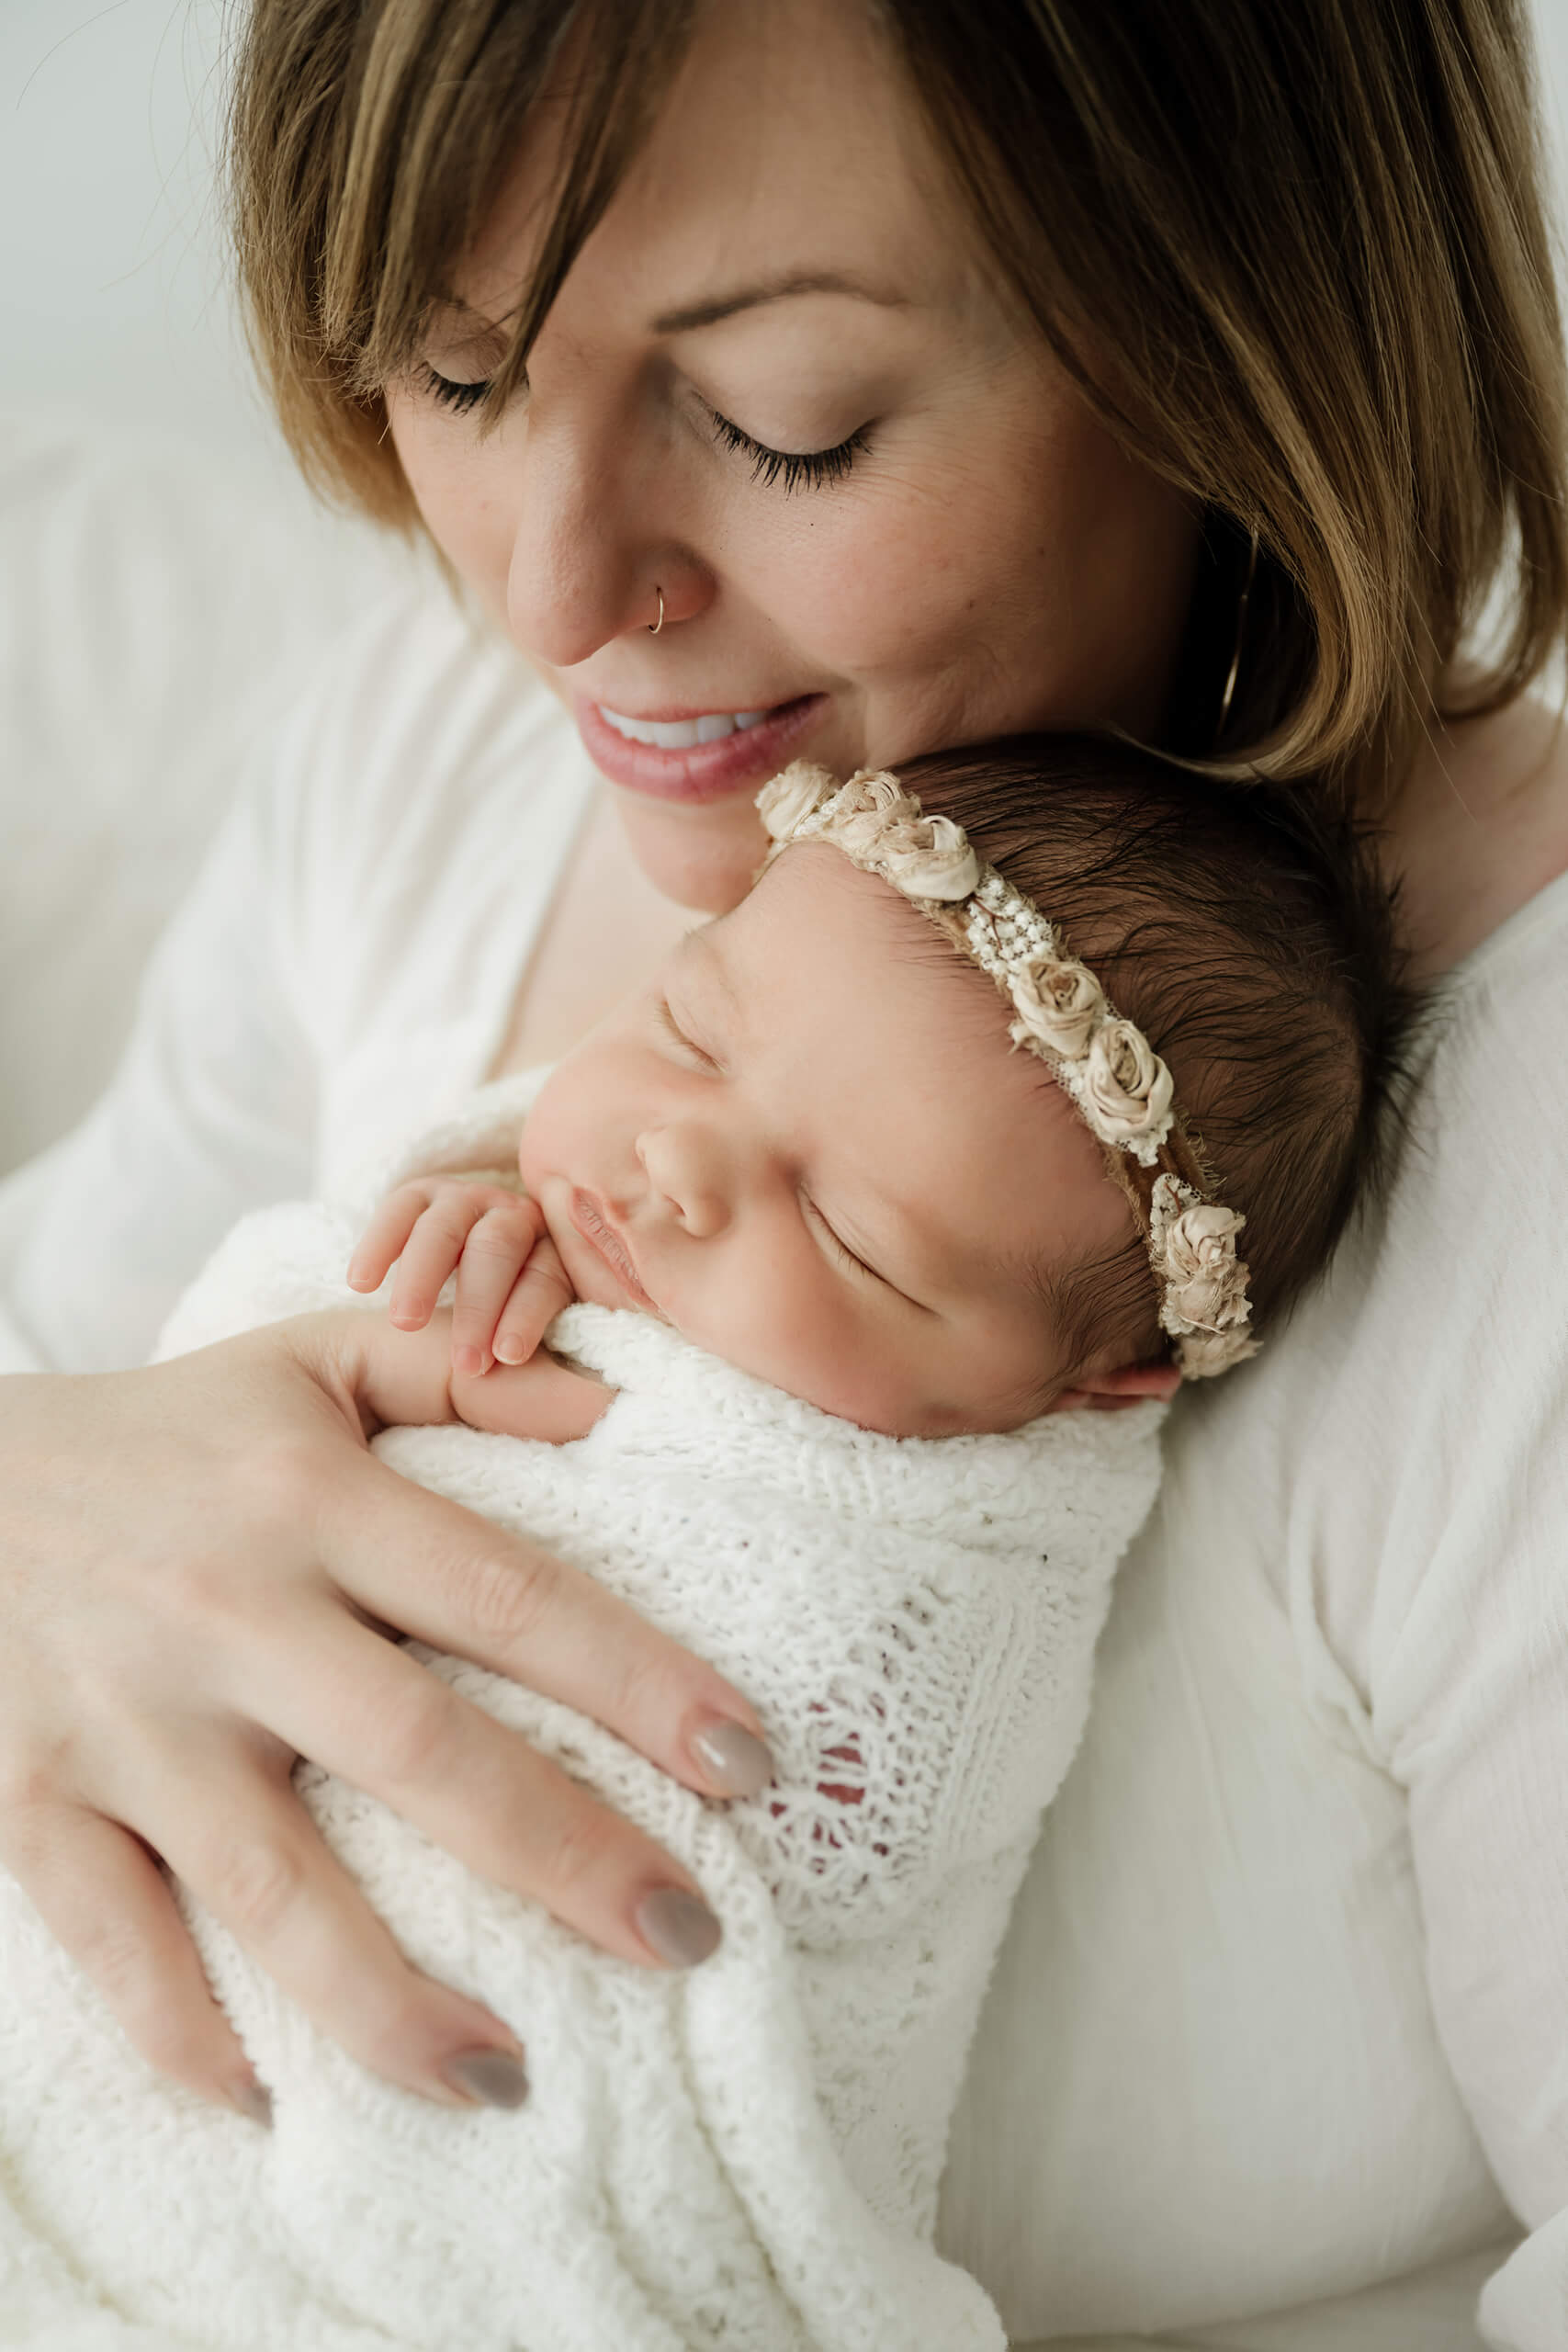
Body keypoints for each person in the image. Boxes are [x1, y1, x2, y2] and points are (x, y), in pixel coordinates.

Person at [0, 0, 1564, 2341]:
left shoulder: (1521, 1155)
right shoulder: (431, 768)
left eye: (777, 424)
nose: (545, 599)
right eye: (449, 371)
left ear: (1243, 331)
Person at [0, 747, 1399, 2349]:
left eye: (848, 1233)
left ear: (1090, 1387)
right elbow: (176, 1439)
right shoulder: (426, 943)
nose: (676, 1164)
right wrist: (412, 1259)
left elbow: (872, 1810)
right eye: (690, 1029)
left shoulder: (937, 1563)